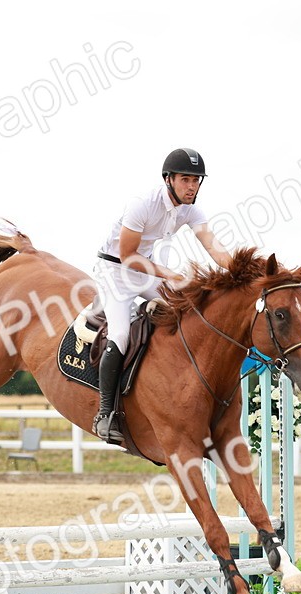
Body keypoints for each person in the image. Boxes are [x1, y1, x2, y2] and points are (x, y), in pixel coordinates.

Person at [91, 147, 233, 443]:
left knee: (191, 306)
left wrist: (245, 269)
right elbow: (128, 256)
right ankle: (105, 414)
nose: (191, 187)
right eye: (185, 180)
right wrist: (169, 274)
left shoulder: (191, 210)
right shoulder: (143, 204)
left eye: (196, 180)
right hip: (115, 272)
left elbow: (215, 248)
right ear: (168, 179)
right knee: (120, 335)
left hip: (145, 272)